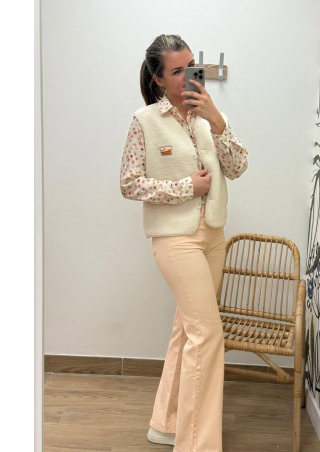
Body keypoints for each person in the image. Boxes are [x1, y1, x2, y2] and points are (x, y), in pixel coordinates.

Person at [120, 34, 248, 452]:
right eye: (176, 71)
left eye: (191, 66)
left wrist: (217, 120)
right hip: (175, 240)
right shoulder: (144, 121)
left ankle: (167, 424)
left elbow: (238, 167)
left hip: (213, 236)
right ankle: (197, 445)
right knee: (207, 335)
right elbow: (129, 183)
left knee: (186, 329)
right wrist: (185, 188)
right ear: (158, 78)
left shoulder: (210, 117)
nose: (187, 76)